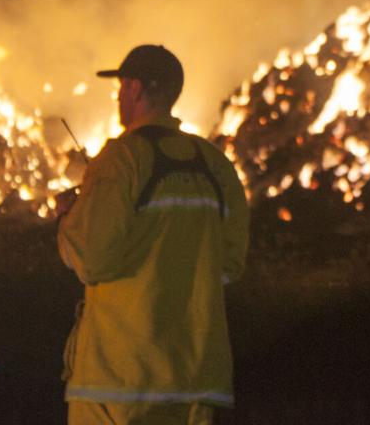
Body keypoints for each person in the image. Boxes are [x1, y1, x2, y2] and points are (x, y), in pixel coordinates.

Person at [57, 44, 249, 425]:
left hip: (119, 380)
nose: (119, 96)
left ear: (135, 88)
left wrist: (68, 218)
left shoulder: (121, 159)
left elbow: (91, 259)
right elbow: (229, 264)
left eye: (122, 87)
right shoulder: (215, 165)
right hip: (193, 379)